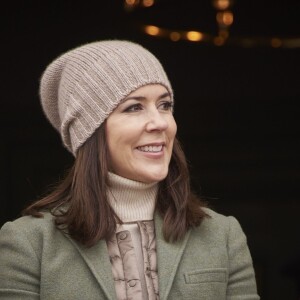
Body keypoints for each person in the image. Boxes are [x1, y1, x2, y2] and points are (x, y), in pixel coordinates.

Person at [0, 40, 260, 300]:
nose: (159, 122)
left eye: (165, 105)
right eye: (134, 107)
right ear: (89, 132)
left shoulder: (222, 235)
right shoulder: (29, 243)